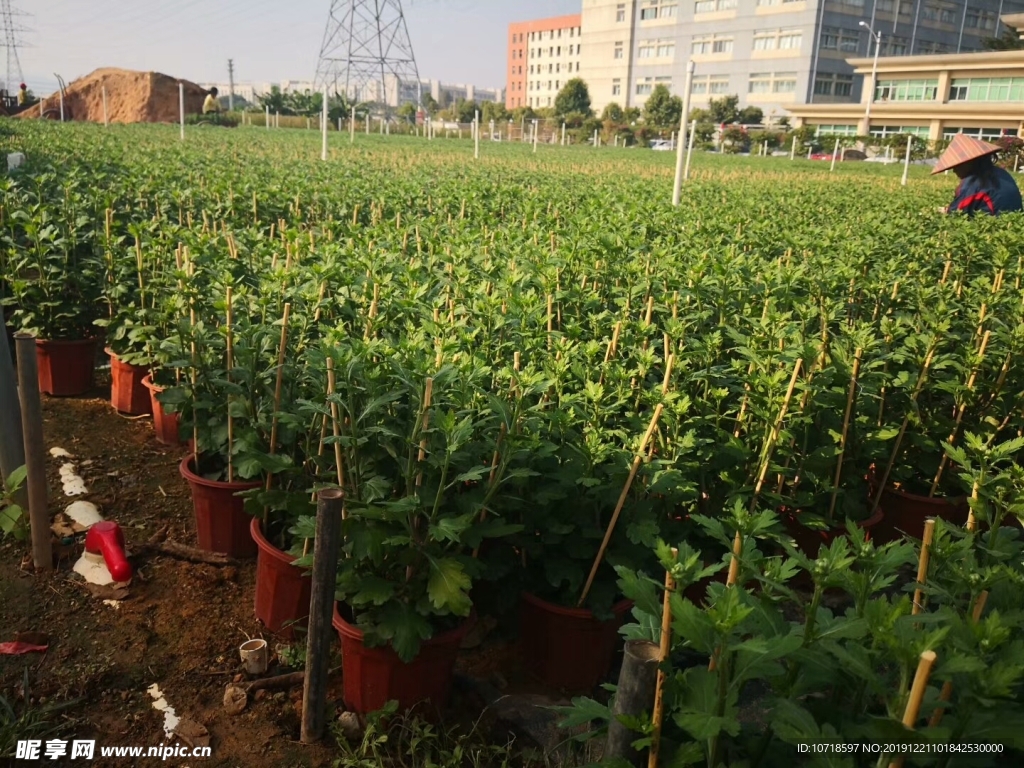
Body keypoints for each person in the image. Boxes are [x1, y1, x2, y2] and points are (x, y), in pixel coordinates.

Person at [933, 134, 1022, 217]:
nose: (954, 170)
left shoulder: (973, 183)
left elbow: (956, 213)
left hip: (993, 226)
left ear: (969, 163)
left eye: (957, 166)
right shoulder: (1002, 173)